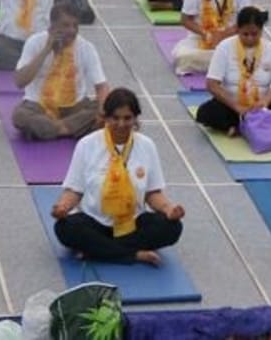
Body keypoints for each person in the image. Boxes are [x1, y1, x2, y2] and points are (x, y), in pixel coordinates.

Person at [52, 88, 184, 266]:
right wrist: (62, 208)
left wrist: (169, 209)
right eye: (115, 118)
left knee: (172, 228)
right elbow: (75, 190)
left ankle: (99, 252)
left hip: (132, 224)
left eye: (127, 118)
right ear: (105, 118)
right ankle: (132, 255)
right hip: (96, 223)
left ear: (135, 118)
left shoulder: (147, 146)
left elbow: (152, 193)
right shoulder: (87, 145)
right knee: (65, 228)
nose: (121, 124)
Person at [196, 7, 271, 135]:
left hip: (263, 107)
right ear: (238, 30)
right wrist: (237, 107)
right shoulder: (225, 47)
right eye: (245, 34)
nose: (250, 39)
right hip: (232, 106)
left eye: (254, 34)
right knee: (206, 112)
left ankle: (240, 126)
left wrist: (264, 102)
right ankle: (249, 125)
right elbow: (212, 84)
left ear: (261, 31)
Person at [12, 0, 109, 141]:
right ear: (52, 25)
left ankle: (53, 129)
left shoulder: (86, 47)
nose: (72, 31)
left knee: (110, 107)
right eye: (65, 25)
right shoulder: (35, 42)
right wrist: (46, 50)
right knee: (20, 116)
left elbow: (101, 86)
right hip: (39, 105)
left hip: (75, 106)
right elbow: (20, 81)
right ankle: (69, 129)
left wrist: (103, 110)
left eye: (75, 26)